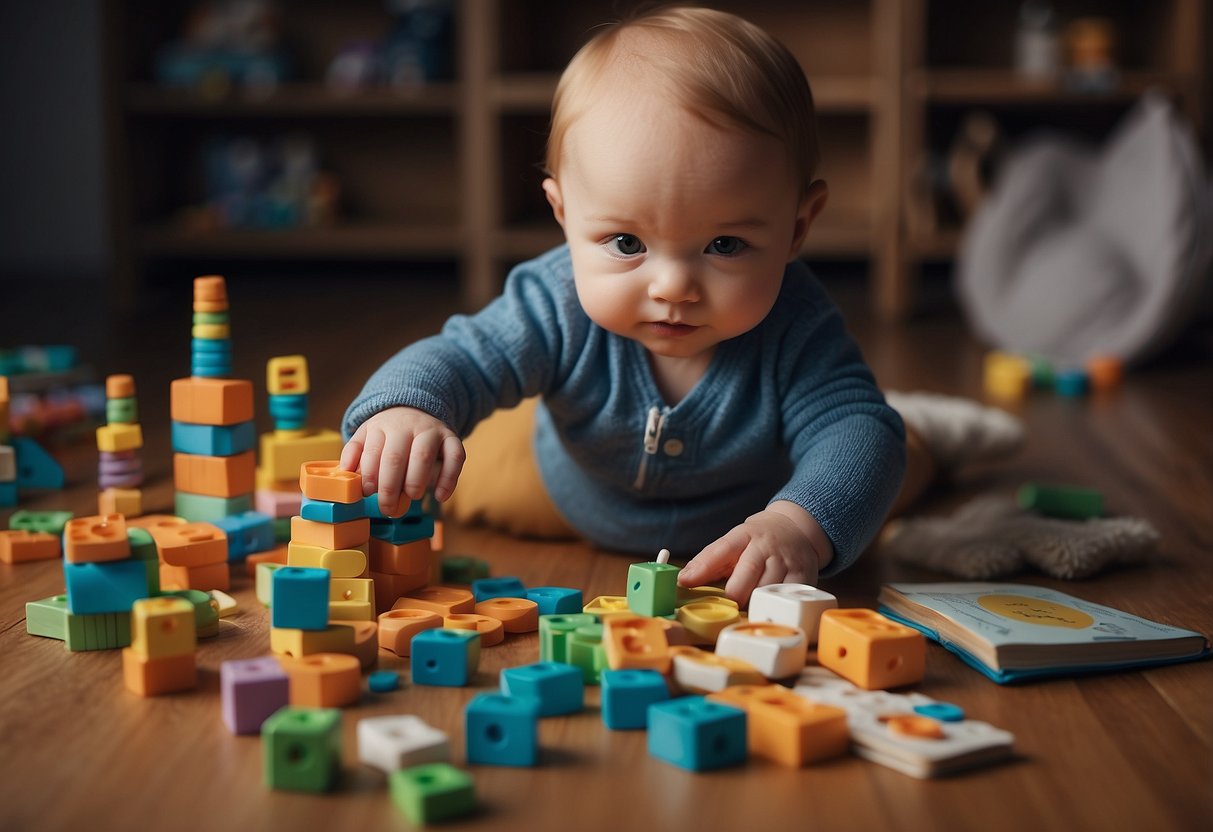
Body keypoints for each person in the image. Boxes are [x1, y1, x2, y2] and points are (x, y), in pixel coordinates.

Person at [341, 6, 1015, 603]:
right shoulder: (551, 302)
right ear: (563, 213)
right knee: (450, 463)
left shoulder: (796, 327)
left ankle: (926, 430)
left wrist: (796, 527)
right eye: (626, 241)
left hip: (750, 516)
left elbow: (858, 439)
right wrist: (408, 409)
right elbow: (460, 356)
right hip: (569, 494)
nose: (672, 286)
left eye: (723, 243)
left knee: (882, 461)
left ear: (796, 227)